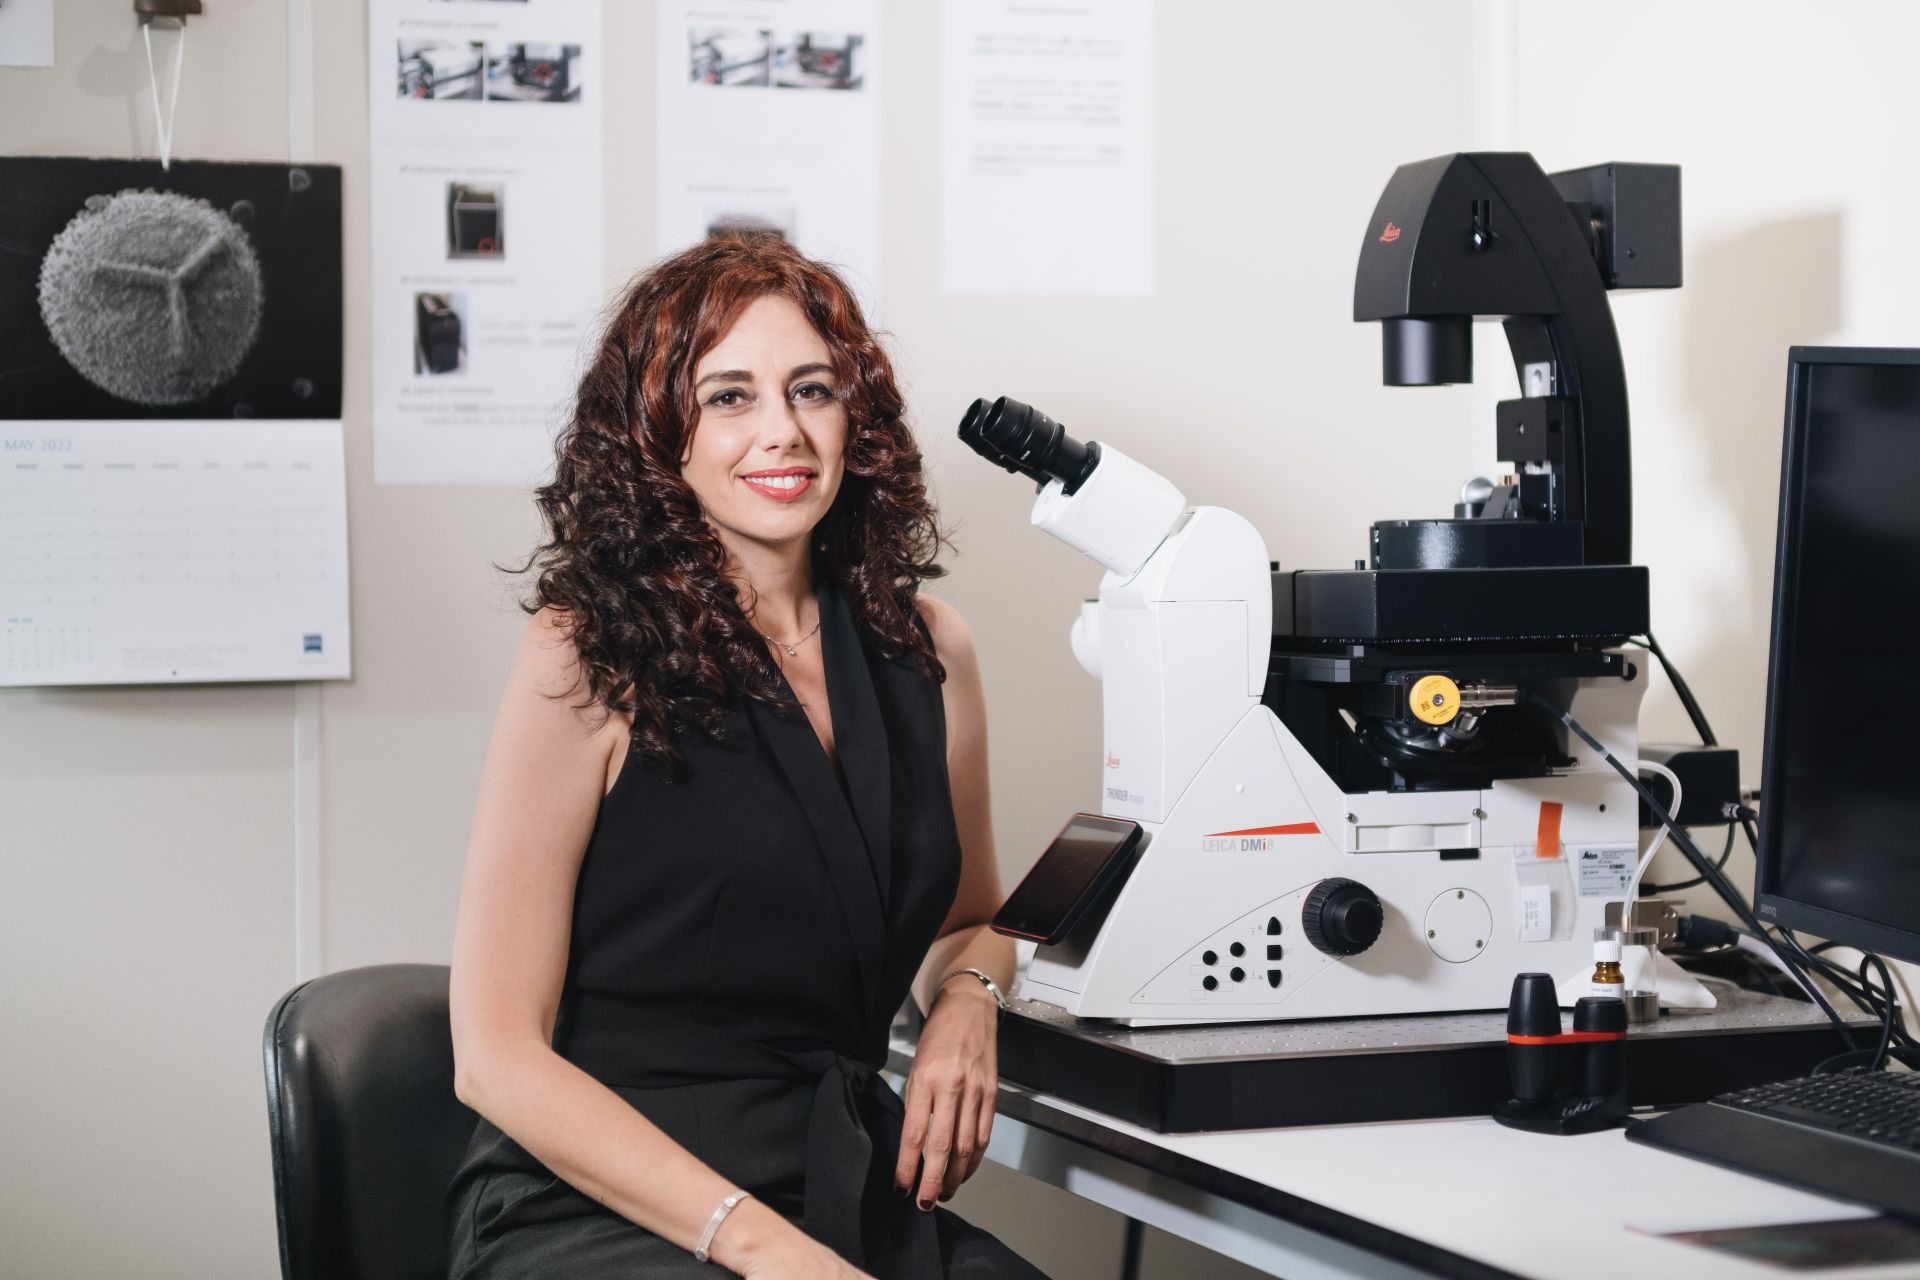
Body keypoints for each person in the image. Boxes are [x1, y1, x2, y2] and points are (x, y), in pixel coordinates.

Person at [445, 234, 1048, 1280]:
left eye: (811, 387)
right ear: (658, 434)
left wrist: (968, 1000)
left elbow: (973, 919)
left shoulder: (930, 649)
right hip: (601, 1204)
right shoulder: (584, 655)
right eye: (730, 396)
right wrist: (761, 1248)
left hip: (834, 1179)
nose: (783, 430)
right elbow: (495, 1053)